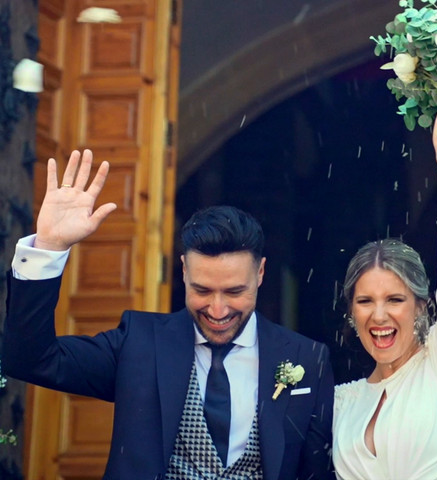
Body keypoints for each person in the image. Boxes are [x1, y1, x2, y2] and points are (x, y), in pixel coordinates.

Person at [2, 150, 334, 479]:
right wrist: (49, 247)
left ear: (260, 274)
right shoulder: (139, 342)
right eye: (202, 291)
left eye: (235, 292)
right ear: (184, 271)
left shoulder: (307, 358)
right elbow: (29, 359)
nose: (218, 310)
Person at [332, 91, 437, 479]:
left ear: (423, 306)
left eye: (395, 298)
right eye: (365, 301)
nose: (379, 315)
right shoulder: (342, 402)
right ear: (351, 310)